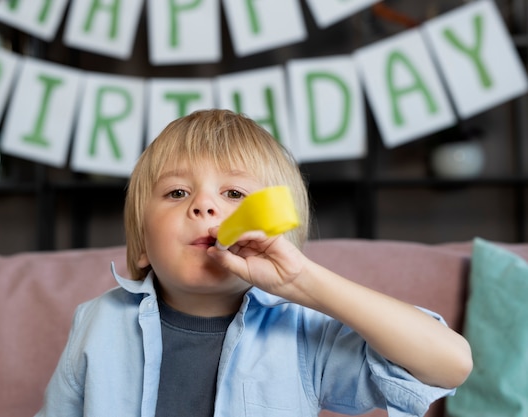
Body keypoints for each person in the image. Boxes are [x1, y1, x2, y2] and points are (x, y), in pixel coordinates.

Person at [35, 109, 472, 417]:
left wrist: (302, 280)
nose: (204, 205)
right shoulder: (96, 323)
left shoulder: (302, 332)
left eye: (234, 195)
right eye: (177, 193)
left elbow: (449, 363)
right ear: (143, 245)